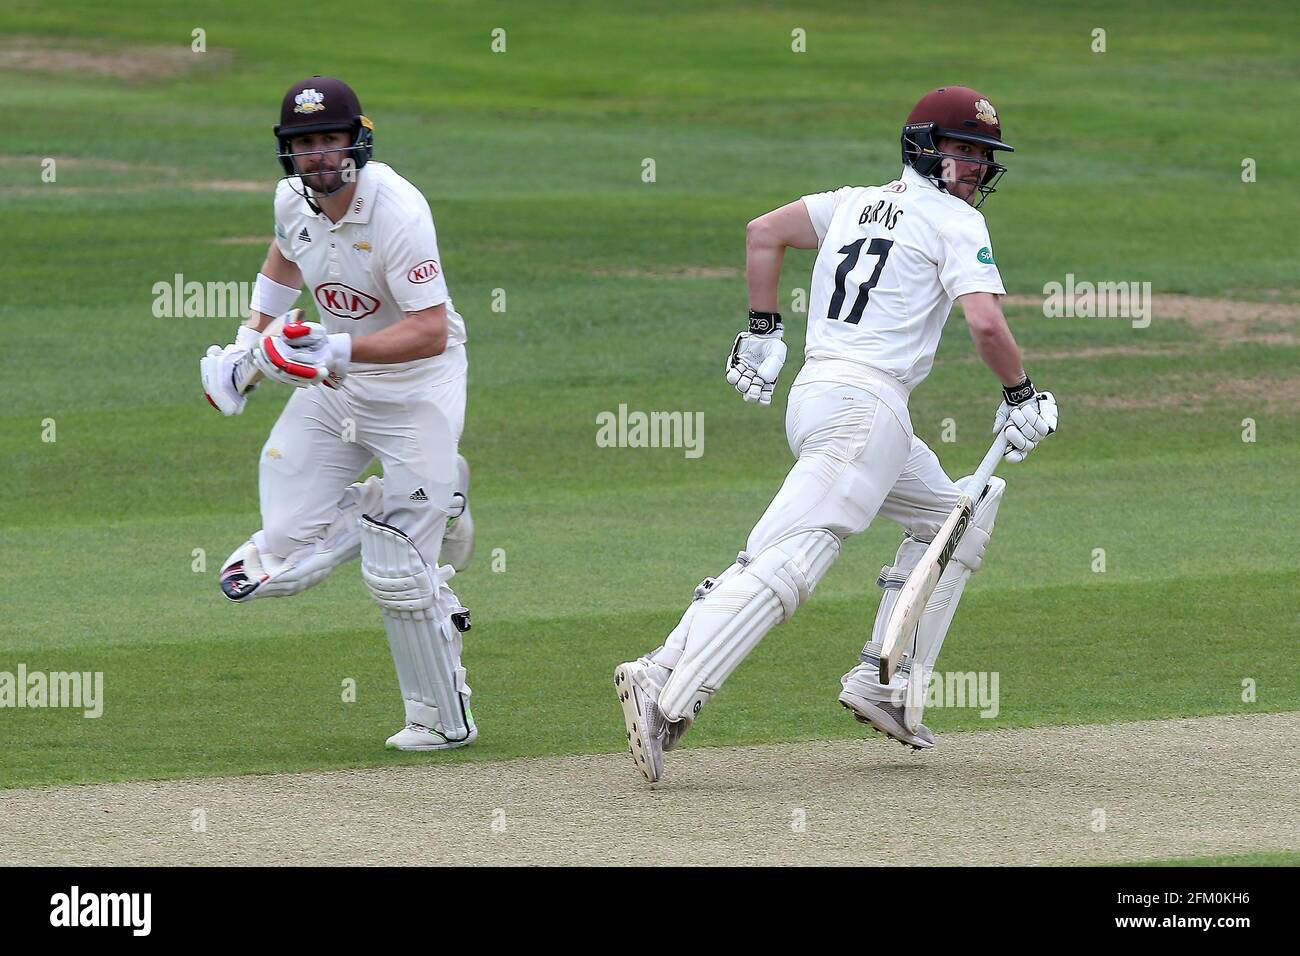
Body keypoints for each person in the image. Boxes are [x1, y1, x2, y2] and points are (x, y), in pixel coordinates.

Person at [614, 86, 1058, 783]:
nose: (975, 166)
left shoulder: (850, 202)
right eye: (963, 149)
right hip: (864, 413)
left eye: (982, 154)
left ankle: (888, 680)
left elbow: (765, 232)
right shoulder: (955, 224)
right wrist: (1020, 393)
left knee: (952, 518)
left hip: (824, 399)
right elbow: (985, 323)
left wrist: (762, 329)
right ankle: (663, 681)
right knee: (791, 557)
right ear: (924, 146)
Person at [199, 76, 478, 751]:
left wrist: (337, 348)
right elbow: (284, 258)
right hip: (336, 386)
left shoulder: (399, 213)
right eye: (304, 144)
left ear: (357, 141)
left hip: (418, 392)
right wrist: (249, 346)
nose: (319, 155)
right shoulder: (290, 201)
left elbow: (433, 330)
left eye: (330, 140)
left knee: (398, 572)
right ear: (287, 153)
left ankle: (442, 721)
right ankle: (438, 496)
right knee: (285, 551)